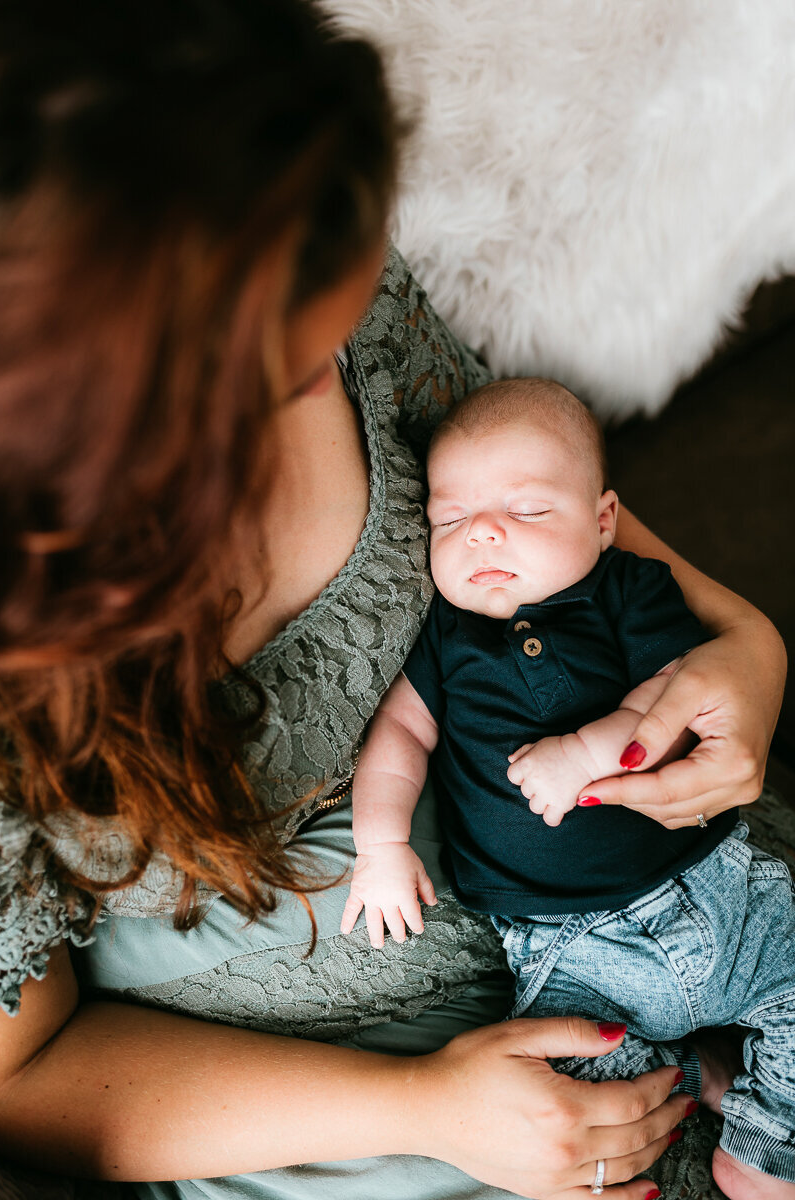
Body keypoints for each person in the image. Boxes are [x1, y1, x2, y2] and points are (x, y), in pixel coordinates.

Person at [0, 3, 788, 1200]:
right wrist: (431, 1110)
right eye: (270, 370)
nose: (338, 348)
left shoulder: (315, 261)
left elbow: (565, 513)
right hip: (387, 1137)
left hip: (711, 927)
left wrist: (750, 652)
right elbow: (22, 1084)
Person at [341, 377, 795, 1200]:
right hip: (568, 948)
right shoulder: (446, 639)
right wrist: (380, 843)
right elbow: (400, 738)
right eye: (451, 519)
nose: (482, 531)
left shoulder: (628, 589)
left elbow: (677, 698)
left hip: (714, 889)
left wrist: (585, 753)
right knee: (581, 1098)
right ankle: (695, 1073)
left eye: (528, 510)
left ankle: (769, 1142)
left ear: (603, 520)